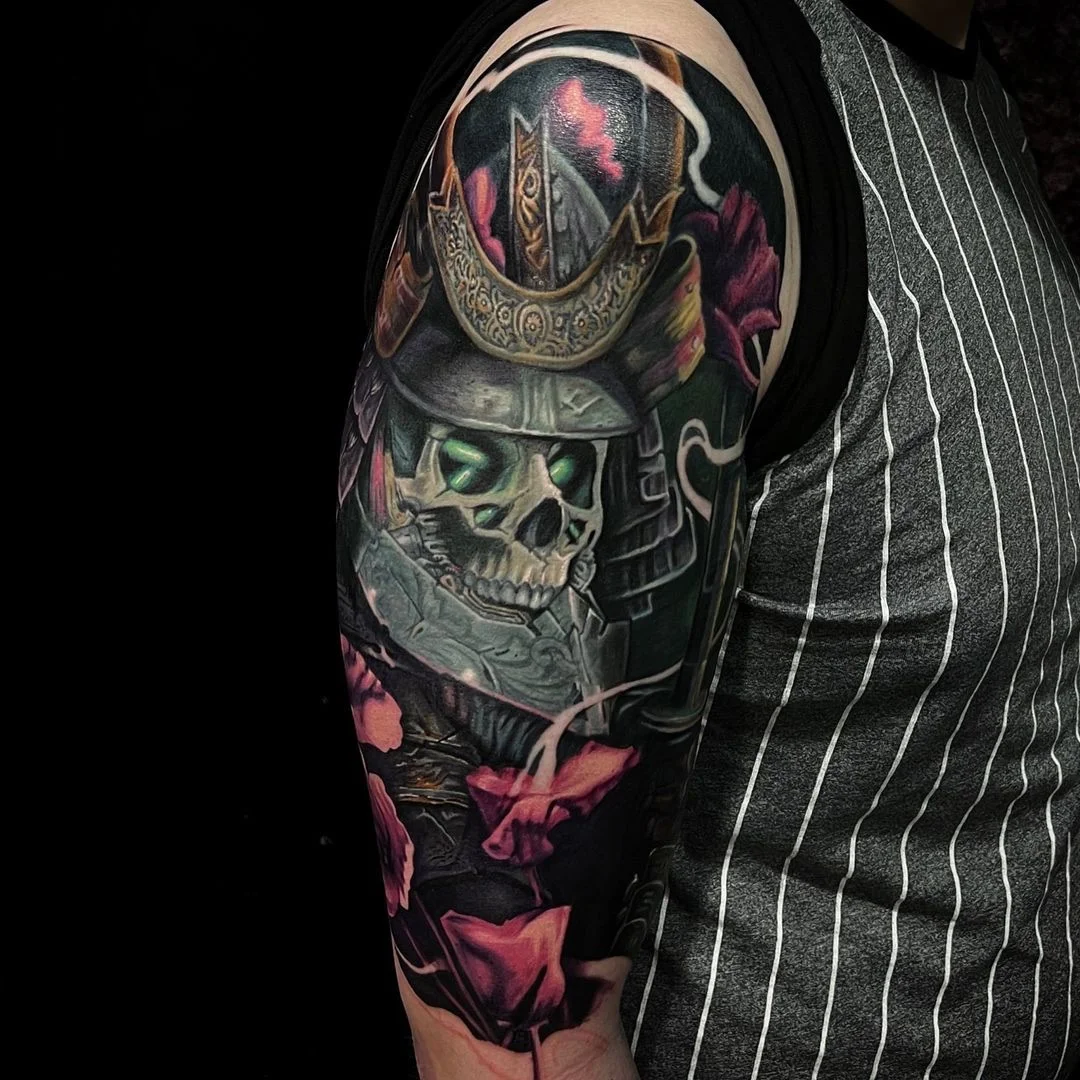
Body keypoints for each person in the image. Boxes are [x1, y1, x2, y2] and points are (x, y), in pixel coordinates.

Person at [336, 0, 1079, 1076]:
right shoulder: (643, 88)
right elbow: (509, 1055)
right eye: (484, 461)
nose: (546, 510)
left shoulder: (968, 95)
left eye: (570, 470)